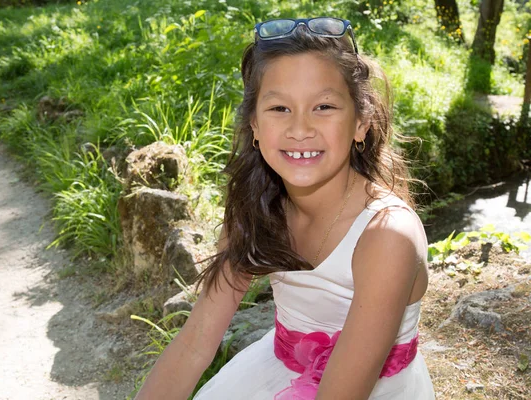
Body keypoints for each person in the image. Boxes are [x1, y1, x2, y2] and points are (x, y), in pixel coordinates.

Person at [135, 16, 436, 400]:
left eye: (324, 106)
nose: (300, 128)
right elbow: (195, 343)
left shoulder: (387, 235)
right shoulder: (257, 207)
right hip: (274, 371)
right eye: (279, 108)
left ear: (361, 122)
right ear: (255, 126)